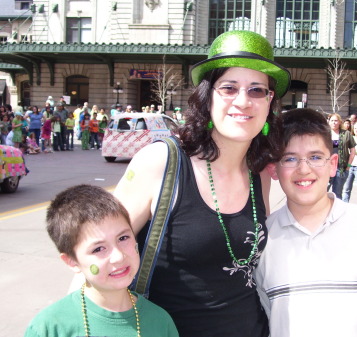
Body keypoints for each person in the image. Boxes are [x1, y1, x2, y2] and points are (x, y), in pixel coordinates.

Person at [113, 30, 289, 337]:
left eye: (257, 90)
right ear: (208, 98)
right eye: (229, 88)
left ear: (269, 103)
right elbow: (97, 252)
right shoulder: (161, 162)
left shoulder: (259, 175)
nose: (243, 101)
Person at [255, 108, 357, 337]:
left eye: (315, 157)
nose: (304, 169)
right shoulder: (262, 240)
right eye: (290, 158)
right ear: (274, 169)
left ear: (333, 164)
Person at [24, 184, 179, 337]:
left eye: (123, 238)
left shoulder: (160, 321)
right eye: (98, 249)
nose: (118, 257)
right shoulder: (49, 328)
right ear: (72, 261)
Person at [328, 113, 356, 200]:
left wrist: (348, 166)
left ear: (340, 122)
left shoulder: (346, 134)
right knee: (322, 192)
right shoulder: (324, 134)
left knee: (337, 194)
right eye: (332, 120)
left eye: (336, 120)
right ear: (329, 122)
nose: (334, 123)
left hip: (341, 168)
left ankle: (337, 212)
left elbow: (353, 151)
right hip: (327, 168)